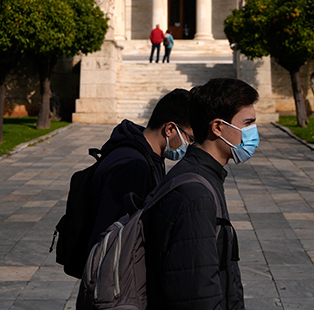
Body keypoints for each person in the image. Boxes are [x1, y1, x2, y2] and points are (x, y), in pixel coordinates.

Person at [144, 78, 260, 310]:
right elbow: (197, 294)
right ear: (217, 127)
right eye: (247, 124)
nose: (253, 133)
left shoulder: (203, 175)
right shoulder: (196, 194)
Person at [86, 89, 193, 256]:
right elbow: (110, 238)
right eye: (190, 138)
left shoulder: (149, 156)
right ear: (170, 129)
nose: (190, 145)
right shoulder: (133, 166)